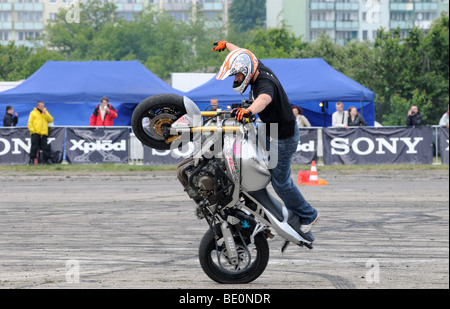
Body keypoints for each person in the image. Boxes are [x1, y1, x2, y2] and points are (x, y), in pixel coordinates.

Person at [213, 41, 319, 233]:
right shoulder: (255, 65)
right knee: (253, 166)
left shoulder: (265, 83)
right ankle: (260, 209)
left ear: (246, 71)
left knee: (280, 182)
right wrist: (226, 44)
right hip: (268, 128)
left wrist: (248, 111)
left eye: (237, 74)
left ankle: (308, 215)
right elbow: (242, 53)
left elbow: (264, 99)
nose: (236, 78)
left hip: (283, 137)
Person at [27, 101, 54, 165]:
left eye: (43, 106)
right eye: (41, 106)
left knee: (46, 147)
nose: (42, 107)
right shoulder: (33, 113)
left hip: (43, 133)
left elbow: (50, 120)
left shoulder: (45, 112)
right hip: (36, 132)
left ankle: (48, 160)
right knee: (34, 146)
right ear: (38, 106)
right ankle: (31, 160)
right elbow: (30, 122)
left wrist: (45, 114)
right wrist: (33, 131)